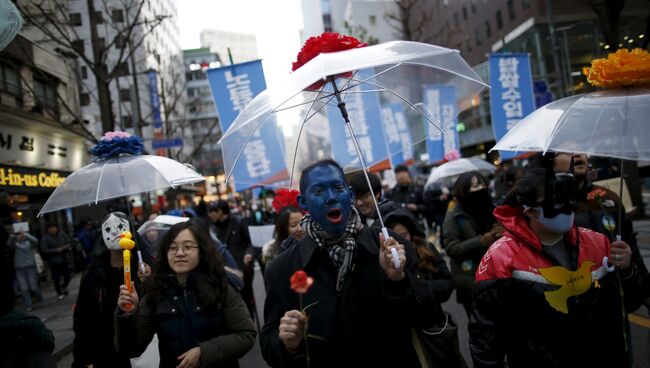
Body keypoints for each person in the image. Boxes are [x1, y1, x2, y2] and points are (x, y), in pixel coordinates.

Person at [260, 159, 442, 367]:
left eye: (338, 188)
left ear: (350, 194)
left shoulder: (387, 245)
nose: (331, 198)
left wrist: (398, 279)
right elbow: (269, 344)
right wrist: (289, 343)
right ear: (303, 203)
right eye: (318, 192)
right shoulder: (282, 269)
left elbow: (430, 315)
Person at [468, 162, 647, 367]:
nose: (566, 207)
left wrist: (626, 271)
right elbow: (486, 336)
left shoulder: (598, 243)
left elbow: (630, 302)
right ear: (530, 211)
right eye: (555, 201)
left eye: (570, 199)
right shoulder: (501, 258)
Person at [115, 220, 256, 368]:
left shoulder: (221, 285)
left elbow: (246, 335)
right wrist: (128, 314)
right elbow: (130, 349)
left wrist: (203, 352)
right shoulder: (156, 290)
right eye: (173, 248)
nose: (180, 253)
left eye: (188, 247)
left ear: (201, 251)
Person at [72, 212, 151, 368]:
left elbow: (154, 306)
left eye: (120, 227)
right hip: (104, 349)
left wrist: (147, 283)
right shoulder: (92, 274)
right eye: (108, 229)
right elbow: (83, 318)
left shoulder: (144, 268)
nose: (115, 232)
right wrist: (83, 358)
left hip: (137, 346)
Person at [443, 171, 503, 316]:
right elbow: (451, 249)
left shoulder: (492, 208)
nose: (481, 188)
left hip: (497, 272)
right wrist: (481, 241)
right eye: (475, 185)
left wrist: (501, 231)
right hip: (470, 278)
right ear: (463, 191)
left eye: (482, 183)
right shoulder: (454, 216)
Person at [208, 200, 256, 316]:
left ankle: (249, 325)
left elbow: (251, 242)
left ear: (220, 211)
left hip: (242, 267)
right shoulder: (212, 229)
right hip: (224, 270)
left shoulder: (239, 221)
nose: (210, 215)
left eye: (213, 212)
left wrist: (249, 254)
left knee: (246, 299)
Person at [8, 230, 42, 312]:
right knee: (24, 289)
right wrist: (14, 235)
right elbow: (9, 244)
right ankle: (29, 305)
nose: (20, 235)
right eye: (19, 234)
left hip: (31, 267)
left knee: (33, 287)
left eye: (21, 234)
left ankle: (39, 297)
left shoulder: (30, 242)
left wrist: (26, 235)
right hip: (19, 268)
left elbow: (35, 241)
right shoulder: (15, 243)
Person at [40, 223, 72, 300]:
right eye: (50, 228)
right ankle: (59, 293)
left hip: (63, 258)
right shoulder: (45, 238)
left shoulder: (62, 234)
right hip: (53, 261)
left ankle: (64, 286)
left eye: (53, 227)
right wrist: (56, 250)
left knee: (67, 276)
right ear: (47, 229)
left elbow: (69, 243)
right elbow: (44, 250)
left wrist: (65, 247)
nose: (52, 229)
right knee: (56, 278)